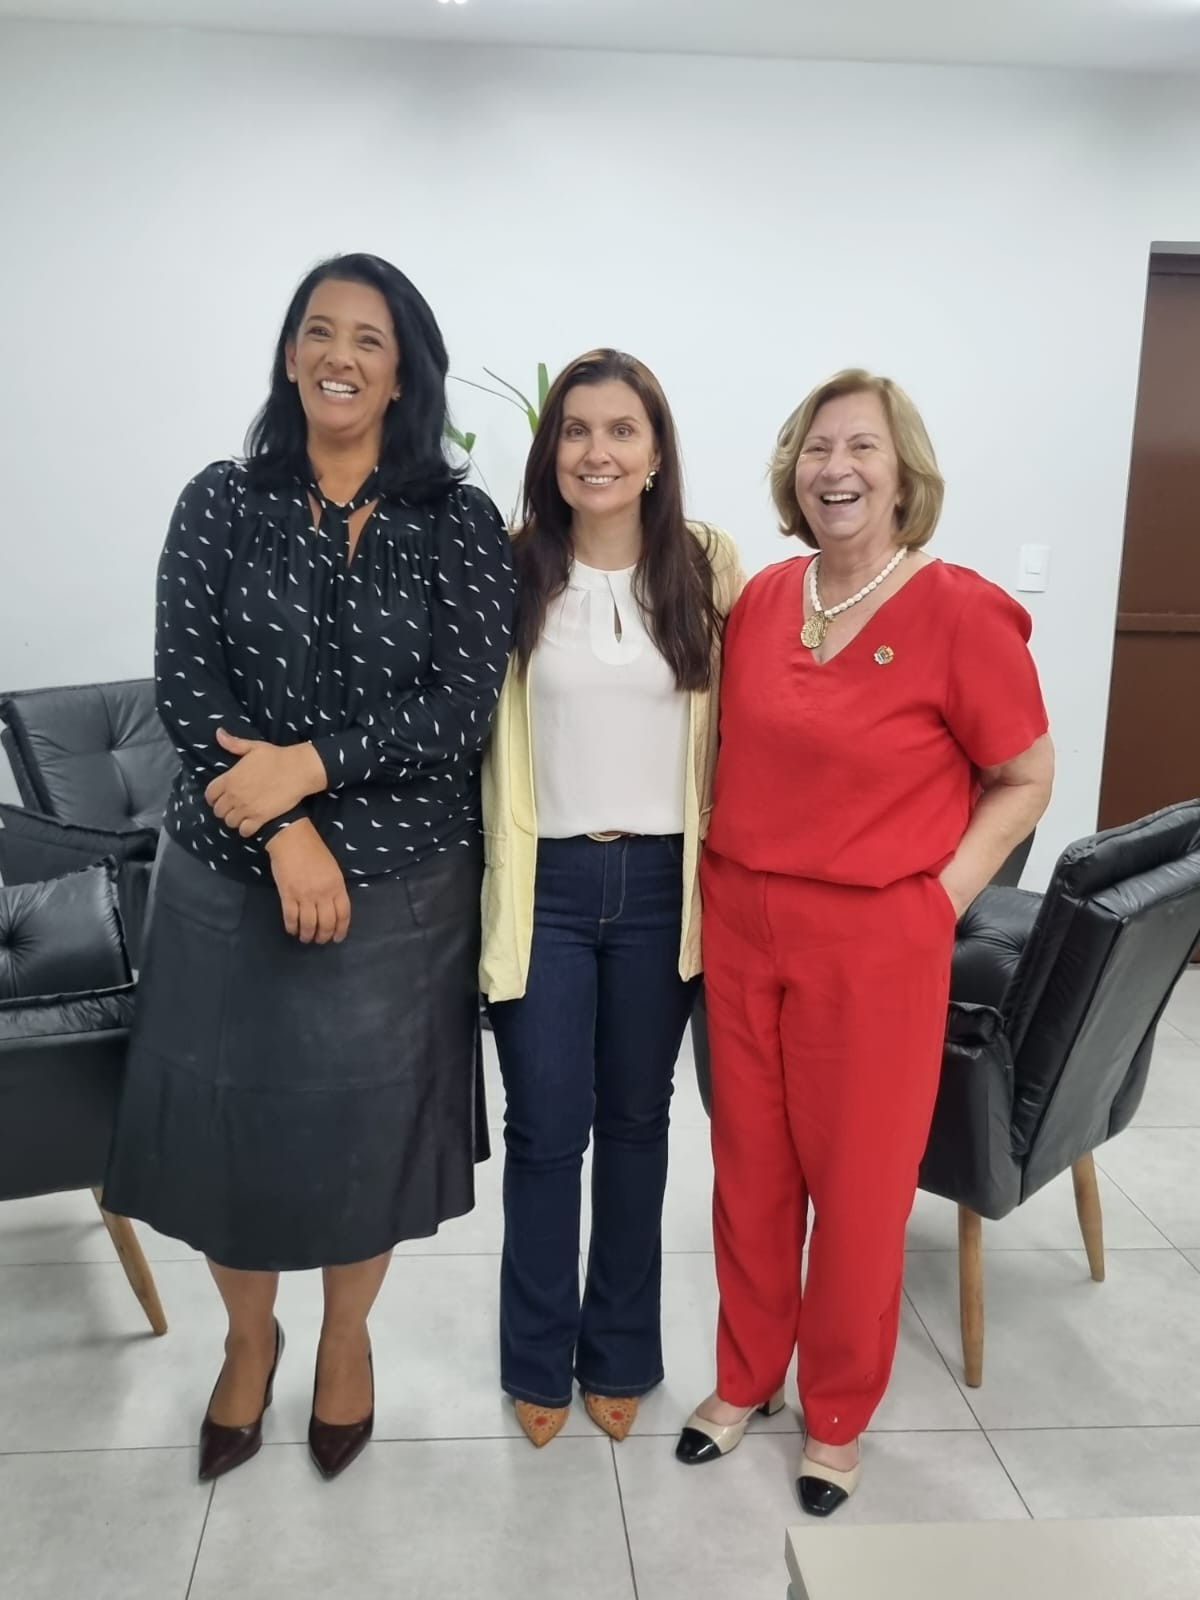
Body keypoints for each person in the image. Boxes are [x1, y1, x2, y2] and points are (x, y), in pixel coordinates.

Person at [103, 252, 515, 1483]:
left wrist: (313, 766)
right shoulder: (221, 500)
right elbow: (188, 688)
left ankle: (344, 1340)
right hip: (229, 880)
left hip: (404, 885)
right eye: (318, 332)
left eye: (370, 340)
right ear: (290, 356)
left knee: (365, 1136)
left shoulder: (461, 520)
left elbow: (461, 706)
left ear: (403, 375)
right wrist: (281, 825)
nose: (341, 355)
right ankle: (247, 1340)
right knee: (230, 1135)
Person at [676, 369, 1053, 1515]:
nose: (835, 468)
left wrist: (938, 898)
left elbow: (1025, 776)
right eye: (816, 448)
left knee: (858, 1189)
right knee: (749, 1172)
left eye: (862, 450)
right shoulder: (764, 598)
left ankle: (835, 1416)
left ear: (903, 476)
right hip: (743, 922)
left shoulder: (962, 610)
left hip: (877, 940)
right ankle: (746, 1380)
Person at [480, 349, 745, 1446]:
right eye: (577, 430)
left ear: (655, 451)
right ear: (552, 451)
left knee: (638, 1125)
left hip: (658, 882)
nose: (598, 450)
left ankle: (622, 1350)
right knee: (547, 1130)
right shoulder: (508, 567)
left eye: (622, 430)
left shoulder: (706, 566)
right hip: (540, 883)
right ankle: (537, 1357)